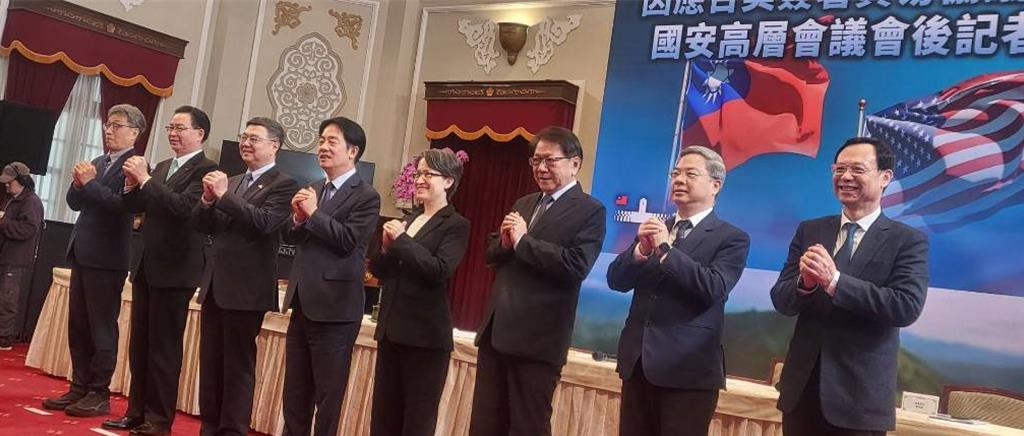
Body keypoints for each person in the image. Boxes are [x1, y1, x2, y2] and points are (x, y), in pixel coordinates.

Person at [771, 137, 929, 436]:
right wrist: (805, 284)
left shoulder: (907, 241)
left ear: (885, 177)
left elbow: (905, 307)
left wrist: (835, 281)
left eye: (857, 169)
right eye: (839, 169)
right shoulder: (811, 229)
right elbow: (781, 300)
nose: (845, 177)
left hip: (859, 400)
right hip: (801, 394)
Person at [468, 126, 606, 436]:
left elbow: (575, 266)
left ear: (575, 163)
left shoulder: (590, 210)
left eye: (550, 160)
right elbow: (493, 254)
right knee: (485, 425)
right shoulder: (525, 202)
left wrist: (523, 241)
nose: (541, 168)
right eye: (535, 160)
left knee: (527, 426)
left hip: (538, 341)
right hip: (497, 332)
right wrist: (506, 243)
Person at [607, 146, 750, 436]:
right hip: (638, 364)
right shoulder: (658, 228)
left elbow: (714, 287)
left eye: (690, 174)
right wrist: (639, 251)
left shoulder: (731, 238)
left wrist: (666, 250)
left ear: (715, 185)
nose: (679, 180)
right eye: (675, 173)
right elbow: (616, 280)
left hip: (688, 373)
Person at [102, 106, 218, 435]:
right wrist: (130, 185)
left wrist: (146, 179)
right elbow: (134, 207)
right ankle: (136, 412)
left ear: (200, 134)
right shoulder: (164, 165)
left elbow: (184, 208)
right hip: (147, 266)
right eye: (170, 128)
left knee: (164, 349)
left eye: (181, 128)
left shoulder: (207, 169)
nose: (173, 134)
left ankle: (158, 419)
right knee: (140, 345)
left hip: (177, 270)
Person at [193, 117, 297, 436]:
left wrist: (223, 196)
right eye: (244, 137)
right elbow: (204, 225)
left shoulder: (284, 184)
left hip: (247, 289)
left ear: (274, 146)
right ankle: (209, 426)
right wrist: (207, 200)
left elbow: (264, 222)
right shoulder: (235, 180)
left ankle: (232, 429)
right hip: (215, 284)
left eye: (254, 138)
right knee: (211, 362)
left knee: (237, 366)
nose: (246, 143)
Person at [280, 116, 380, 436]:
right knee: (295, 393)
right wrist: (297, 219)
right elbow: (291, 236)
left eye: (332, 141)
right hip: (302, 302)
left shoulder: (366, 196)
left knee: (328, 397)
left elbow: (348, 240)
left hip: (336, 310)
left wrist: (312, 213)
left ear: (353, 151)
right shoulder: (314, 188)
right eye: (321, 140)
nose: (322, 147)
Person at [43, 104, 142, 417]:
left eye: (117, 125)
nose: (109, 130)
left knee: (101, 326)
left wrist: (89, 183)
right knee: (79, 325)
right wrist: (77, 184)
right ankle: (79, 385)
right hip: (83, 252)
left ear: (134, 132)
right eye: (108, 124)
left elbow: (122, 207)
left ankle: (99, 391)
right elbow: (74, 203)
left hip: (108, 258)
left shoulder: (136, 165)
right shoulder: (98, 162)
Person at [369, 148, 470, 436]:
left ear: (448, 181)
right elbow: (380, 270)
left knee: (417, 422)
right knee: (383, 418)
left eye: (428, 174)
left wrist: (402, 242)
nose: (420, 179)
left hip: (425, 338)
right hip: (391, 331)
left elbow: (439, 269)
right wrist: (385, 248)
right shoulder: (409, 218)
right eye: (418, 174)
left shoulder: (456, 224)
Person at [0, 162, 44, 351]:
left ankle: (4, 338)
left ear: (22, 181)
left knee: (7, 299)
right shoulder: (12, 199)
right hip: (6, 255)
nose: (6, 184)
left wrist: (3, 221)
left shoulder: (31, 202)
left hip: (15, 258)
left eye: (10, 182)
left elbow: (28, 230)